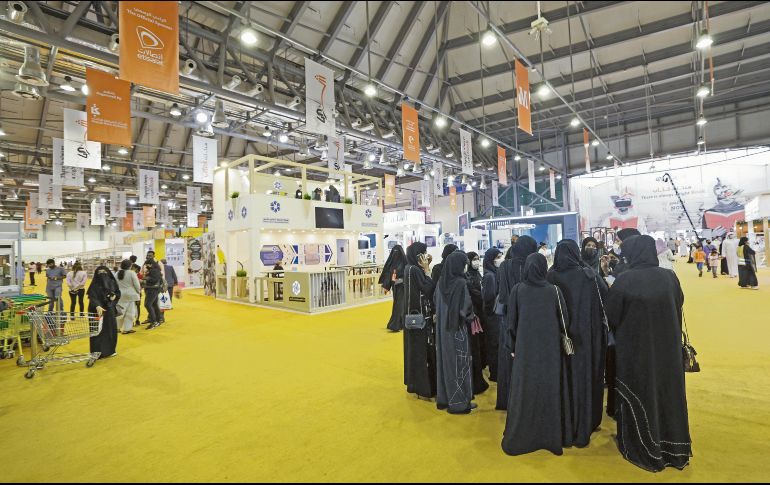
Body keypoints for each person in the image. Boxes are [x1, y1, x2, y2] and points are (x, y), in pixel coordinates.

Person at [605, 235, 692, 472]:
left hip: (636, 352)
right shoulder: (669, 277)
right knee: (668, 395)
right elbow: (679, 303)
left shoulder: (625, 280)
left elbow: (611, 316)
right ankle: (674, 449)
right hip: (668, 352)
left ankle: (646, 447)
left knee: (641, 393)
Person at [501, 253, 573, 456]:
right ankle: (549, 437)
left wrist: (513, 347)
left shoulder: (518, 290)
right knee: (548, 391)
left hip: (525, 352)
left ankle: (522, 435)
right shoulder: (554, 291)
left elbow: (511, 323)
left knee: (525, 392)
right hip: (550, 352)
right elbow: (564, 321)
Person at [547, 240, 608, 448]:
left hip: (559, 340)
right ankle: (585, 423)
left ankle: (563, 424)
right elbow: (605, 301)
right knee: (584, 379)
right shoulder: (588, 275)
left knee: (562, 380)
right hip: (585, 340)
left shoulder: (551, 275)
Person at [434, 251, 476, 414]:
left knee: (446, 363)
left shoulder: (441, 283)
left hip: (443, 330)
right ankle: (460, 403)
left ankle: (445, 398)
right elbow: (465, 309)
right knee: (460, 363)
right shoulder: (460, 283)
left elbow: (435, 302)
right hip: (457, 329)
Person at [495, 235, 538, 393]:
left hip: (508, 317)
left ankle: (507, 396)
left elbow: (501, 293)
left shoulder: (505, 266)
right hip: (528, 318)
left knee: (508, 356)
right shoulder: (532, 264)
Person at [403, 242, 436, 400]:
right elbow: (428, 289)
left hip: (413, 318)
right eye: (423, 254)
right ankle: (424, 389)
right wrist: (428, 271)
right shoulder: (416, 270)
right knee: (422, 354)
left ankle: (417, 387)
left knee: (415, 352)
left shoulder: (408, 268)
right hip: (421, 319)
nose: (425, 256)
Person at [465, 251, 488, 395]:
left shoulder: (478, 274)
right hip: (474, 314)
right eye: (474, 259)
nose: (477, 262)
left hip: (481, 312)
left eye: (478, 259)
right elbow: (476, 294)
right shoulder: (466, 278)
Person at [88, 265, 121, 359]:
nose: (102, 274)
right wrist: (97, 305)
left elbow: (118, 292)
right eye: (100, 272)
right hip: (96, 311)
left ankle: (110, 351)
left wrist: (114, 296)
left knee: (110, 330)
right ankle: (96, 352)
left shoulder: (113, 282)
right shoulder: (94, 284)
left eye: (104, 272)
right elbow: (92, 296)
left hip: (109, 310)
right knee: (96, 331)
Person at [481, 247, 503, 386]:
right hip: (492, 315)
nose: (500, 259)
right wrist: (491, 314)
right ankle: (495, 373)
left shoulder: (494, 273)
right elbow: (488, 298)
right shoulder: (490, 276)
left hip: (493, 314)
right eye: (498, 257)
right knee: (494, 344)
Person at [380, 245, 406, 332]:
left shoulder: (405, 262)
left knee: (399, 305)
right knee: (398, 304)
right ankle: (400, 323)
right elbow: (388, 274)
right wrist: (386, 286)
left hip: (403, 287)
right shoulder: (392, 264)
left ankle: (396, 324)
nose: (395, 254)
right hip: (396, 287)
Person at [115, 260, 140, 334]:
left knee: (120, 312)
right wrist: (138, 292)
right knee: (130, 312)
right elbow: (137, 285)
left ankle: (117, 328)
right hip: (131, 295)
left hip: (120, 295)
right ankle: (127, 329)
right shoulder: (132, 273)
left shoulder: (117, 273)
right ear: (130, 266)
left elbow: (114, 284)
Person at [141, 258, 164, 329]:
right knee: (154, 304)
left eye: (147, 264)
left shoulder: (153, 271)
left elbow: (154, 280)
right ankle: (158, 319)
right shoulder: (156, 270)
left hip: (152, 289)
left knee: (147, 304)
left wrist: (145, 279)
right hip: (154, 289)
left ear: (150, 264)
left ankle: (154, 321)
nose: (146, 266)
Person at [130, 255, 142, 326]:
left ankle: (131, 321)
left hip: (131, 292)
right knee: (137, 306)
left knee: (130, 307)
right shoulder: (137, 269)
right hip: (137, 292)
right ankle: (137, 320)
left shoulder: (127, 270)